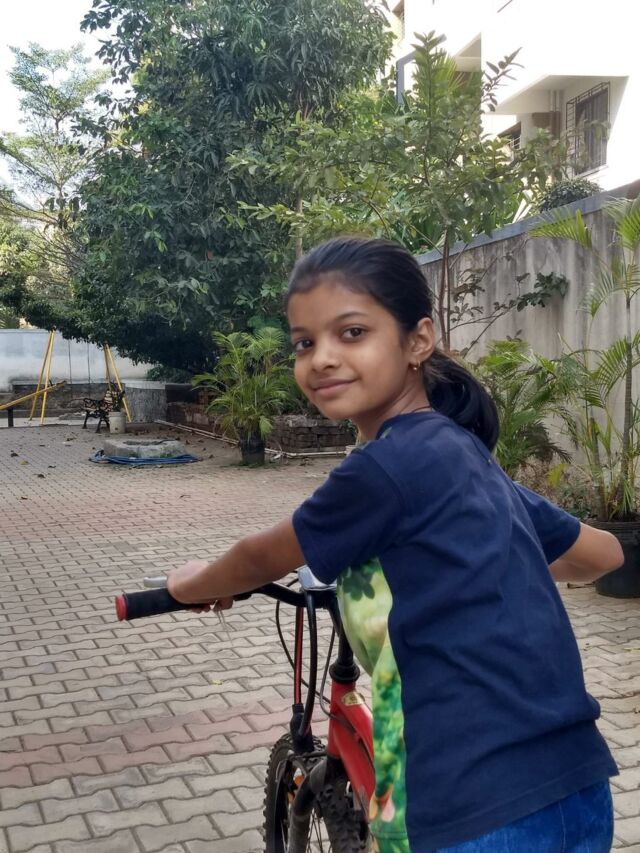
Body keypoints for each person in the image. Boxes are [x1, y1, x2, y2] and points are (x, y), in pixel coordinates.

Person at [168, 237, 623, 852]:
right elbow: (604, 555)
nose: (322, 358)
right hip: (579, 789)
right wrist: (490, 561)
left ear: (418, 340)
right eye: (304, 343)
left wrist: (191, 584)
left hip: (469, 808)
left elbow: (258, 558)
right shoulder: (467, 458)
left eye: (352, 332)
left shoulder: (383, 466)